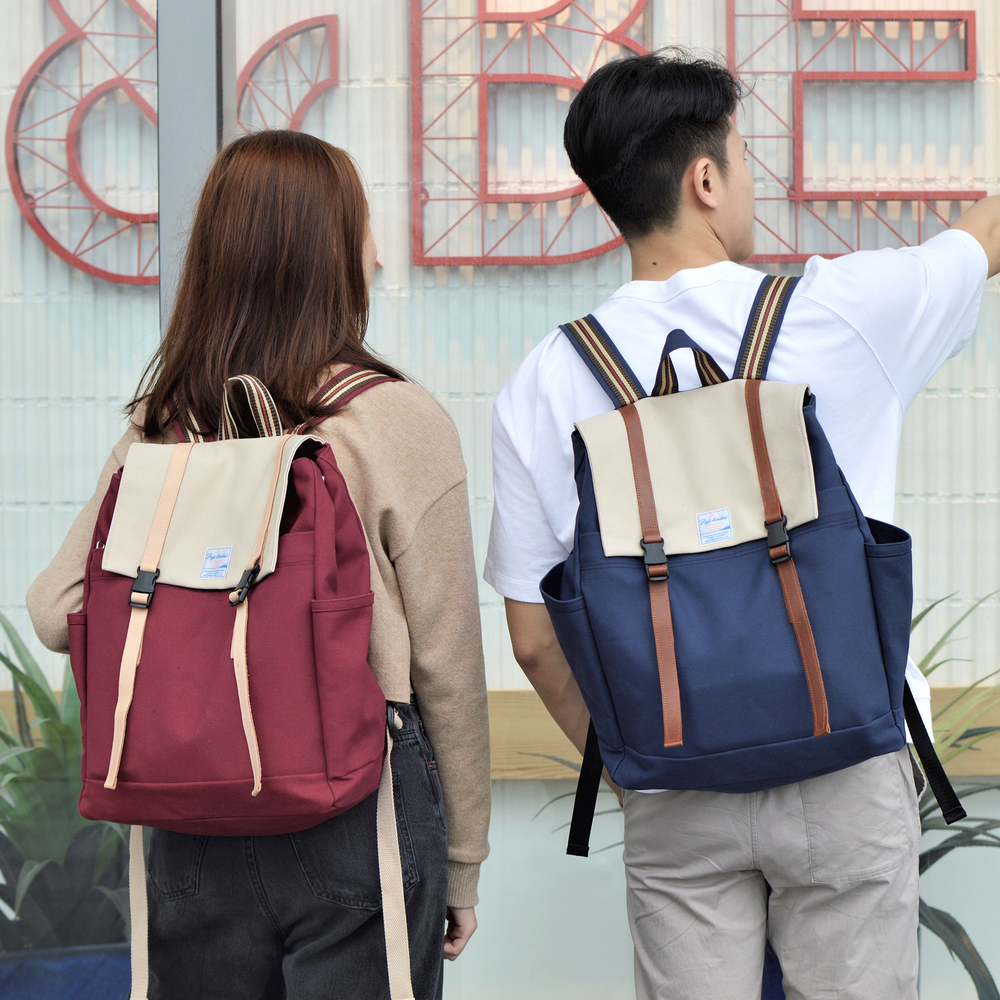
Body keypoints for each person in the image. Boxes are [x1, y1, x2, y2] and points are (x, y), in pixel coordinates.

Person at [484, 50, 1000, 1000]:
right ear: (705, 180)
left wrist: (644, 766)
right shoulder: (841, 313)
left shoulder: (545, 382)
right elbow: (987, 234)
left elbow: (533, 641)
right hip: (847, 760)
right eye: (743, 156)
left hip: (675, 781)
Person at [26, 129, 490, 1000]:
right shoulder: (394, 419)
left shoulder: (166, 428)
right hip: (358, 805)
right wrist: (463, 858)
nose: (376, 253)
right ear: (328, 252)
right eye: (363, 228)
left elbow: (56, 607)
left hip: (192, 810)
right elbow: (447, 663)